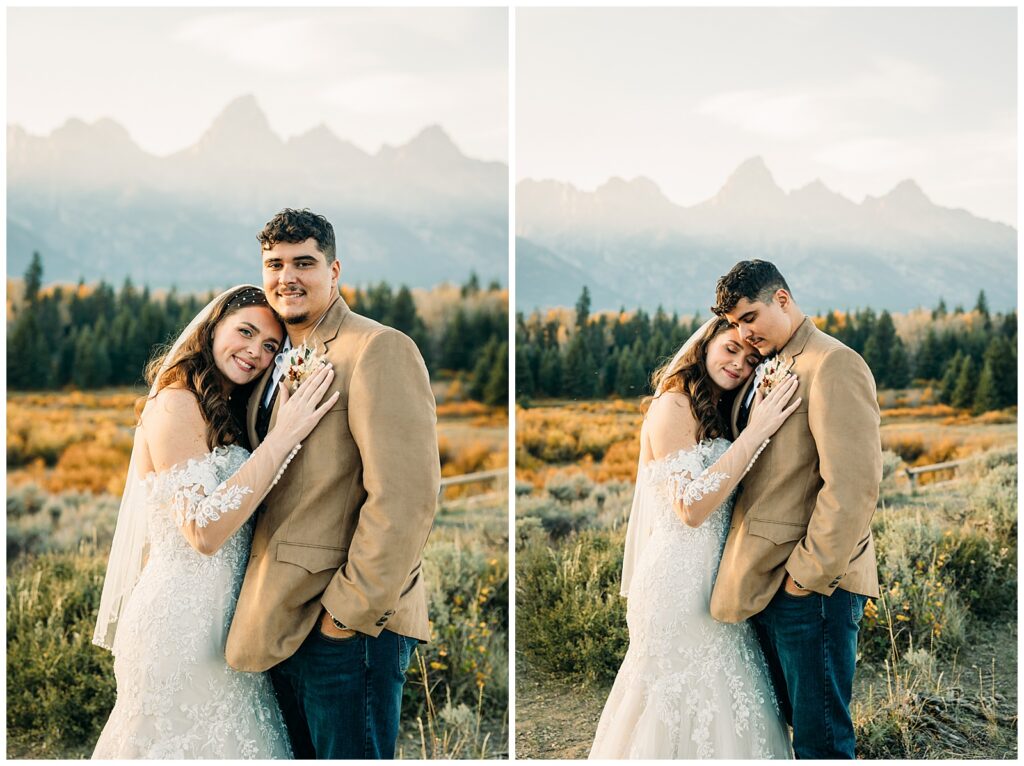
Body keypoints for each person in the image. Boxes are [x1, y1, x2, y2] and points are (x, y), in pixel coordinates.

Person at [224, 209, 441, 759]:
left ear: (334, 269)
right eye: (274, 264)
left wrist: (346, 616)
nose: (286, 276)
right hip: (278, 615)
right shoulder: (270, 358)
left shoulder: (377, 349)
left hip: (346, 626)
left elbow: (406, 496)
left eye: (304, 262)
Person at [92, 284, 339, 758]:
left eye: (270, 346)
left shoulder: (224, 408)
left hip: (227, 631)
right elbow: (202, 532)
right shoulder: (174, 403)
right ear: (212, 330)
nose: (255, 352)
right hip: (178, 629)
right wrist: (284, 437)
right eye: (244, 332)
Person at [589, 317, 799, 759]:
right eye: (730, 349)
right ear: (706, 344)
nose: (739, 364)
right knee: (675, 707)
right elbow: (690, 507)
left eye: (751, 358)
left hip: (718, 582)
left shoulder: (719, 411)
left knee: (731, 701)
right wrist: (758, 430)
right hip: (676, 585)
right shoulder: (672, 405)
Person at [709, 260, 882, 759]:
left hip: (813, 588)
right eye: (734, 325)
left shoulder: (834, 363)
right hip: (768, 582)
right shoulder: (774, 360)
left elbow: (852, 486)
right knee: (794, 729)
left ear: (782, 300)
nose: (743, 333)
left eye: (749, 318)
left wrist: (806, 577)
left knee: (821, 740)